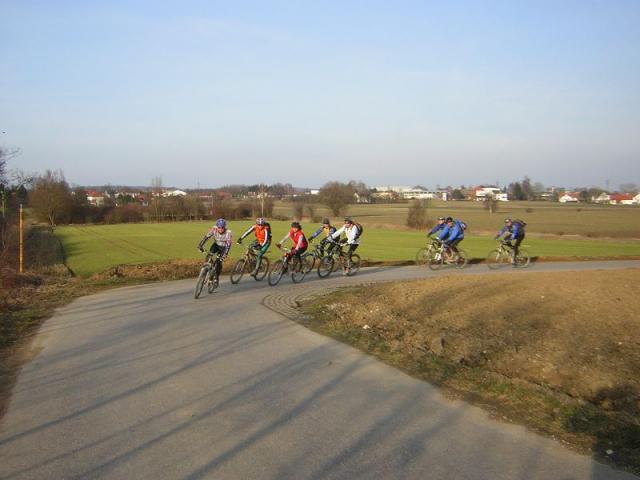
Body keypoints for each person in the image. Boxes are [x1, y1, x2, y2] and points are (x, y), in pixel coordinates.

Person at [197, 218, 232, 284]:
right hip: (216, 245)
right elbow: (206, 237)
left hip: (224, 248)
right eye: (219, 227)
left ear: (224, 227)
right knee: (208, 256)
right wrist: (200, 245)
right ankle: (206, 270)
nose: (220, 229)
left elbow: (228, 245)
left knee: (218, 262)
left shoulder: (228, 233)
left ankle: (216, 276)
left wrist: (225, 255)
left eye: (222, 227)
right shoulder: (214, 229)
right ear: (217, 227)